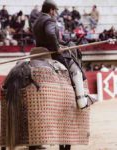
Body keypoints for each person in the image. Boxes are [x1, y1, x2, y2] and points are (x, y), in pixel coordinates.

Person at [33, 0, 91, 149]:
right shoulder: (49, 20)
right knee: (76, 71)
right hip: (52, 54)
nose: (56, 13)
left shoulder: (36, 20)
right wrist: (58, 47)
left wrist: (62, 42)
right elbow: (50, 33)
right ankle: (81, 101)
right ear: (51, 10)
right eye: (55, 10)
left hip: (38, 54)